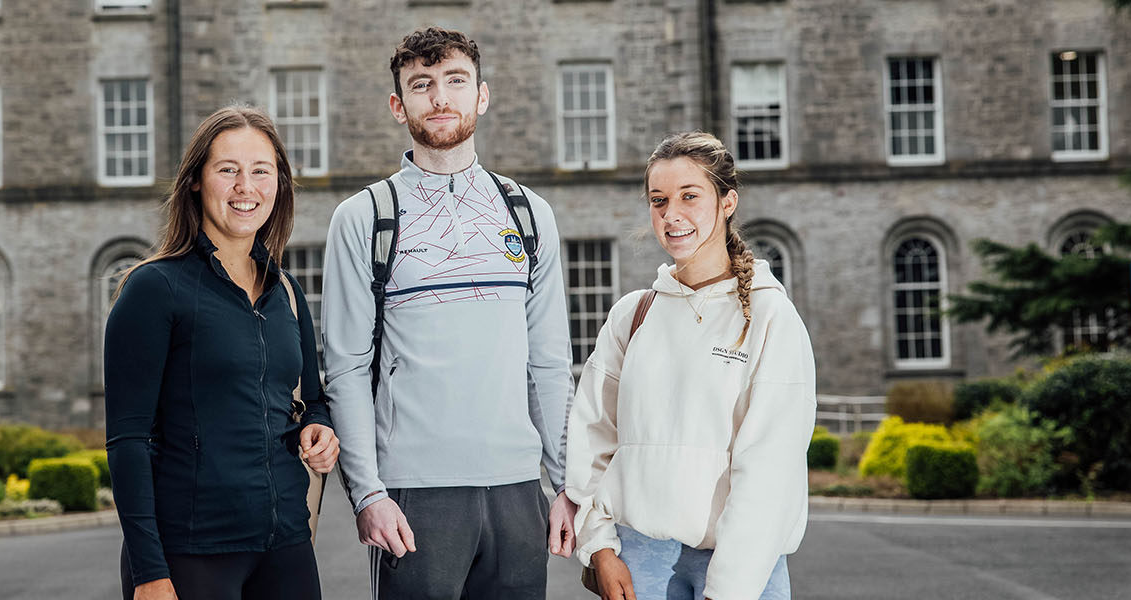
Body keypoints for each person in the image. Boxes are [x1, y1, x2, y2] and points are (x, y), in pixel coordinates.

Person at [320, 27, 577, 599]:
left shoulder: (530, 214)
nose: (440, 97)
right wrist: (368, 493)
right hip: (414, 496)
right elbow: (345, 368)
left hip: (517, 492)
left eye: (455, 81)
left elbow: (551, 364)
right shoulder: (363, 217)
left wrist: (565, 483)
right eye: (422, 85)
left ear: (481, 95)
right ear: (398, 105)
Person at [564, 131, 815, 600]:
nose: (671, 214)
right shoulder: (633, 314)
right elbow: (592, 437)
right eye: (658, 200)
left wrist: (729, 589)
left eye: (689, 196)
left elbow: (770, 470)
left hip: (742, 565)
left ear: (727, 201)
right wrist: (599, 547)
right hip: (637, 562)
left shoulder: (769, 317)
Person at [106, 105, 339, 600]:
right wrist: (149, 572)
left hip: (286, 547)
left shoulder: (287, 292)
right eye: (227, 170)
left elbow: (312, 400)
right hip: (191, 553)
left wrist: (320, 429)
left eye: (260, 171)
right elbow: (128, 440)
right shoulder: (154, 288)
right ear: (195, 180)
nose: (245, 187)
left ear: (279, 184)